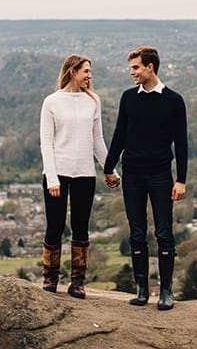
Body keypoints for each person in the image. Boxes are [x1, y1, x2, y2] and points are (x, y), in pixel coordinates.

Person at [104, 46, 188, 310]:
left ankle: (166, 291)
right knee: (137, 232)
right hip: (132, 174)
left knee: (164, 232)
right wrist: (108, 167)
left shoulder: (174, 101)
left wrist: (181, 180)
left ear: (150, 67)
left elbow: (182, 144)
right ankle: (141, 289)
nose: (132, 73)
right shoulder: (128, 98)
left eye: (135, 67)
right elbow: (119, 134)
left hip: (161, 174)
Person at [40, 54, 118, 299]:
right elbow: (46, 143)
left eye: (90, 72)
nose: (89, 76)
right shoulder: (51, 102)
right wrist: (52, 179)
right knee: (55, 226)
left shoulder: (92, 101)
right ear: (72, 71)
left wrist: (110, 170)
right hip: (58, 173)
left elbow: (97, 141)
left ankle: (77, 282)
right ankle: (50, 279)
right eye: (86, 71)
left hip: (84, 173)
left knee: (81, 228)